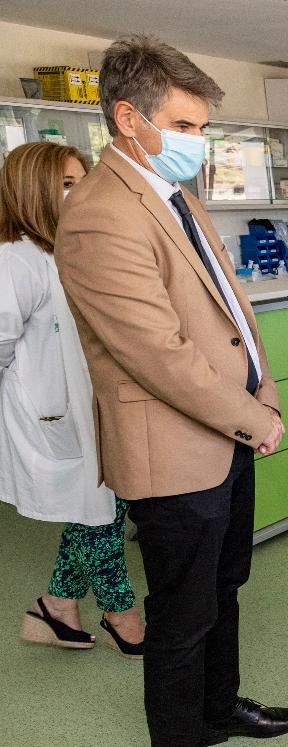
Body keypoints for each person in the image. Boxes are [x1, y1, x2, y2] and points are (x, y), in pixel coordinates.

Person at [55, 36, 288, 747]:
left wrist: (262, 384)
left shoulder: (176, 197)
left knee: (224, 587)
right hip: (172, 448)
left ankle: (218, 707)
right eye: (188, 127)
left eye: (203, 128)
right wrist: (253, 414)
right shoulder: (103, 213)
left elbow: (229, 311)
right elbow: (158, 355)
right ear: (129, 119)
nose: (199, 143)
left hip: (224, 432)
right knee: (180, 612)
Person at [1, 141, 144, 659]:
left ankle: (56, 605)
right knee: (98, 510)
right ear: (31, 190)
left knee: (102, 501)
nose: (79, 192)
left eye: (82, 180)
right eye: (66, 184)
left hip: (98, 404)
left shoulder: (73, 250)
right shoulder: (16, 260)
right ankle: (122, 616)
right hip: (52, 415)